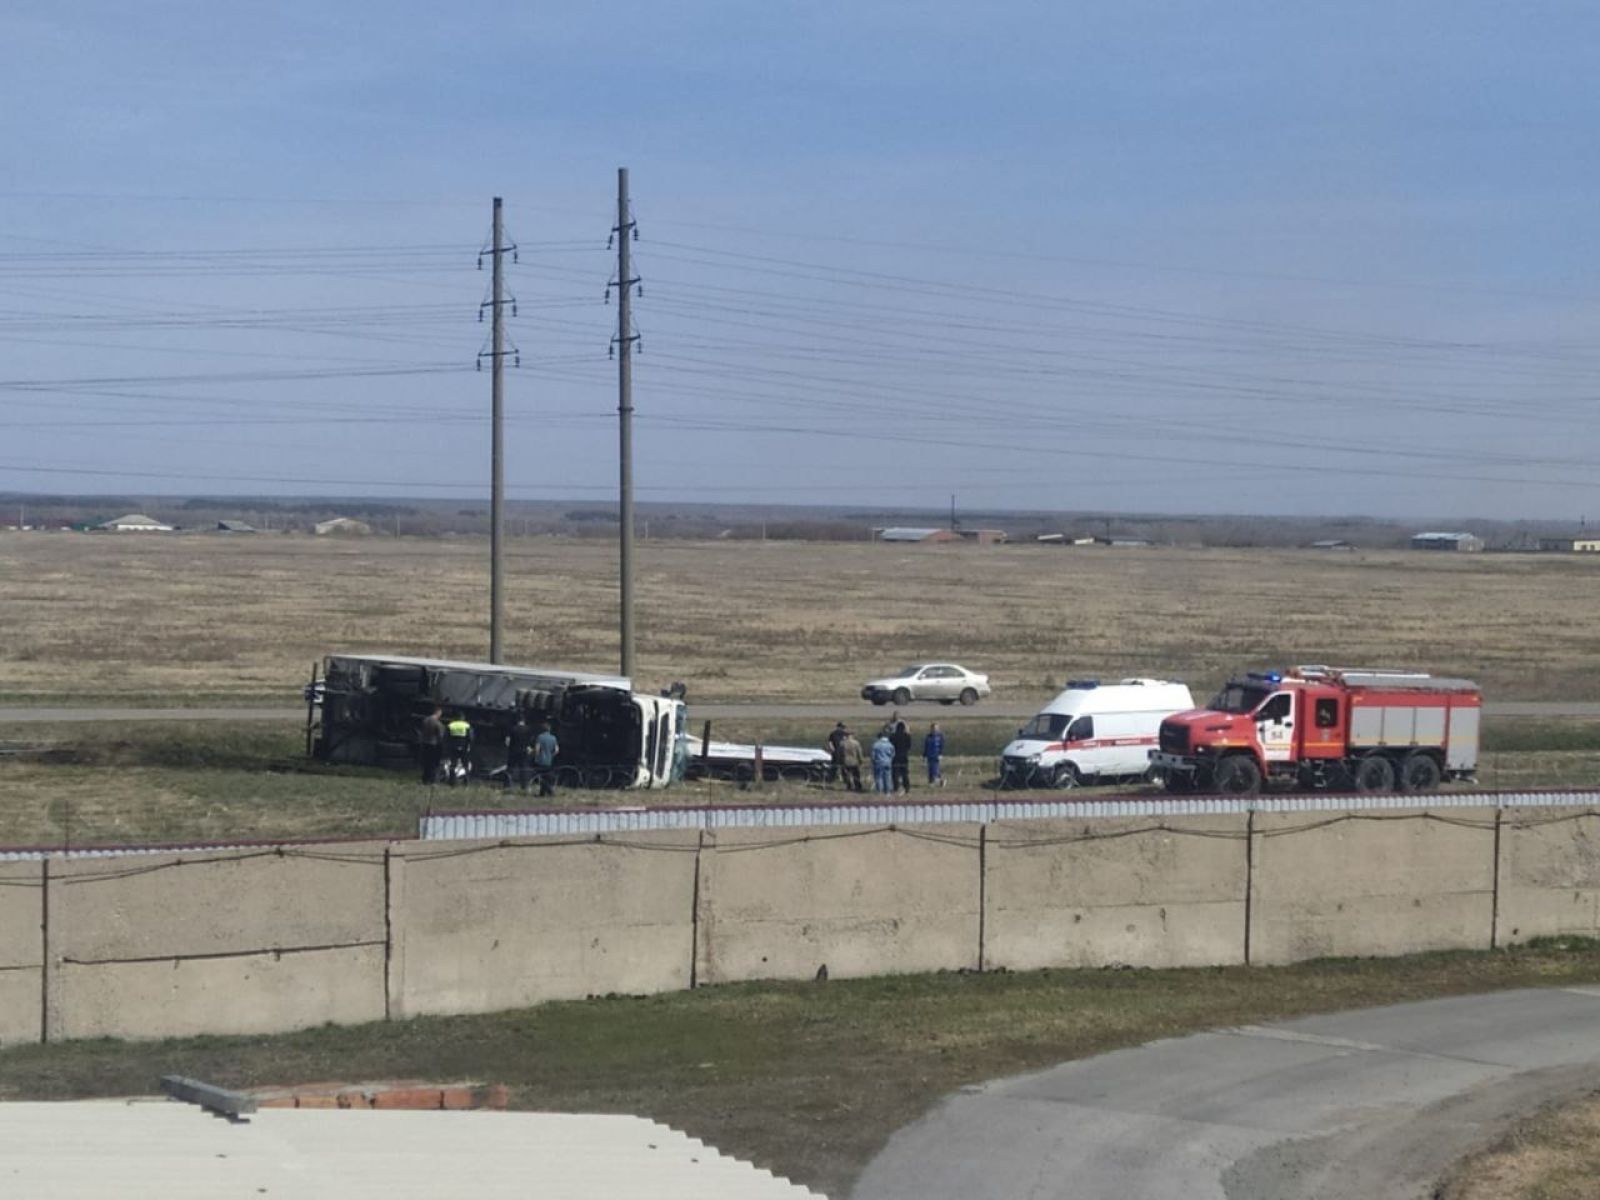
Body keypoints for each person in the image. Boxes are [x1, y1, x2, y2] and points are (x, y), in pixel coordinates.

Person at [504, 715, 534, 792]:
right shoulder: (528, 730)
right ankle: (524, 786)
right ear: (524, 721)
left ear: (517, 721)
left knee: (510, 769)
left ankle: (507, 785)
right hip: (524, 752)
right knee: (523, 769)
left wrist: (509, 748)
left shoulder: (512, 729)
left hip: (514, 751)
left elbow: (507, 742)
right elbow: (530, 742)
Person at [444, 710, 474, 785]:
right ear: (463, 717)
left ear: (455, 717)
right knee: (465, 764)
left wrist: (448, 745)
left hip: (453, 747)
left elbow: (446, 737)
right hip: (464, 747)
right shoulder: (466, 725)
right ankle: (466, 781)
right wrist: (469, 745)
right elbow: (470, 737)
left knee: (453, 764)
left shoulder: (451, 725)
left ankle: (452, 781)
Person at [418, 706, 445, 784]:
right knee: (433, 763)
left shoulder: (425, 720)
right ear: (438, 712)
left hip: (424, 743)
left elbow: (422, 731)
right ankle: (432, 779)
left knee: (426, 762)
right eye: (440, 713)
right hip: (433, 744)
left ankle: (425, 779)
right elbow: (440, 735)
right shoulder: (437, 723)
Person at [533, 720, 560, 797]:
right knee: (546, 777)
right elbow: (557, 750)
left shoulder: (540, 737)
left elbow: (537, 749)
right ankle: (542, 794)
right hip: (549, 760)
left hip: (541, 760)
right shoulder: (553, 738)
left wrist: (535, 756)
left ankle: (550, 792)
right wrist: (552, 755)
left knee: (542, 778)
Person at [839, 727, 864, 793]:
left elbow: (840, 753)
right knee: (856, 774)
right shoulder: (856, 743)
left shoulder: (842, 743)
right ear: (852, 735)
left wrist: (841, 760)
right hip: (854, 761)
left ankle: (849, 786)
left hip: (845, 760)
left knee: (847, 774)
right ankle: (858, 786)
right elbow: (859, 752)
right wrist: (861, 760)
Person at [891, 719, 913, 794]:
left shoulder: (893, 736)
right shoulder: (907, 736)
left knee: (895, 773)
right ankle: (907, 787)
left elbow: (891, 746)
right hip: (904, 756)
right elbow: (909, 746)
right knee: (905, 773)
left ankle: (896, 787)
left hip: (895, 756)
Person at [826, 721, 848, 788]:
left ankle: (840, 779)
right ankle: (833, 779)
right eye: (842, 727)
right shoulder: (835, 734)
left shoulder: (842, 734)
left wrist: (832, 749)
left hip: (839, 752)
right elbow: (830, 743)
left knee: (839, 766)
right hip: (839, 752)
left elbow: (830, 743)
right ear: (839, 727)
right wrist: (833, 749)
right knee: (837, 766)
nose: (842, 728)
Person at [923, 722, 946, 787]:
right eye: (933, 728)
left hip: (936, 755)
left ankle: (940, 781)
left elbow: (941, 746)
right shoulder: (928, 737)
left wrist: (940, 754)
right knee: (930, 769)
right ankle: (931, 782)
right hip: (929, 755)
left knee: (935, 769)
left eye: (936, 728)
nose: (934, 730)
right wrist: (924, 755)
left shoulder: (940, 736)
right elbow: (926, 746)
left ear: (938, 729)